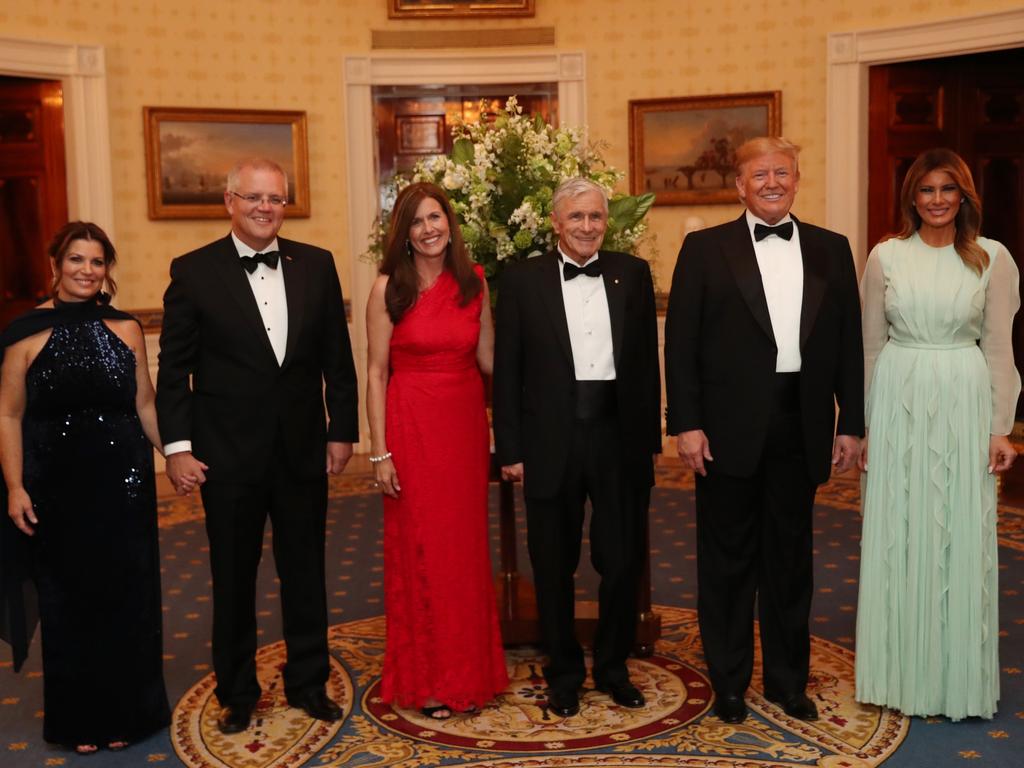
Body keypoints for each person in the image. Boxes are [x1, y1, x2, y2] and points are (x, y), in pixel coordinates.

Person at [664, 137, 864, 724]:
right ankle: (728, 681)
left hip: (801, 424)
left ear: (799, 179)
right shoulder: (704, 249)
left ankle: (786, 682)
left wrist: (849, 423)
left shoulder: (832, 248)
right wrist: (687, 424)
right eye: (759, 174)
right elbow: (681, 345)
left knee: (790, 561)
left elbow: (849, 345)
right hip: (725, 430)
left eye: (782, 172)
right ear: (739, 185)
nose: (771, 182)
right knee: (726, 562)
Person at [156, 158, 358, 734]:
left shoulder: (316, 265)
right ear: (229, 200)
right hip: (225, 455)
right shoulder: (193, 272)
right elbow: (175, 372)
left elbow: (336, 360)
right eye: (254, 198)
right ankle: (237, 692)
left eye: (275, 199)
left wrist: (341, 428)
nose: (266, 208)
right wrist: (177, 447)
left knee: (305, 572)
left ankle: (309, 682)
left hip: (301, 450)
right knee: (233, 577)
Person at [855, 148, 1019, 721]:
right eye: (926, 190)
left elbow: (999, 346)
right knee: (900, 529)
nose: (938, 200)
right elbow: (870, 346)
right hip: (898, 396)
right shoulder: (885, 256)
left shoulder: (992, 258)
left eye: (949, 189)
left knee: (958, 537)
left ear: (965, 196)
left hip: (963, 395)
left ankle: (954, 678)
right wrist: (867, 426)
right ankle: (897, 673)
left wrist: (1002, 427)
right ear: (912, 198)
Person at [493, 177, 661, 718]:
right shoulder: (521, 282)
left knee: (621, 560)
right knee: (552, 563)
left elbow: (644, 365)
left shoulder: (631, 274)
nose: (587, 227)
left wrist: (649, 442)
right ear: (555, 223)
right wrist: (510, 450)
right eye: (577, 217)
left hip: (619, 439)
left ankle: (613, 666)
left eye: (595, 217)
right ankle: (563, 669)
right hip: (549, 443)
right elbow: (509, 372)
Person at [0, 222, 170, 753]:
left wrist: (178, 455)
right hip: (56, 487)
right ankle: (81, 721)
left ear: (107, 270)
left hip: (125, 484)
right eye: (76, 260)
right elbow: (7, 414)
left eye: (97, 262)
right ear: (56, 265)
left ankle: (132, 714)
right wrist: (14, 486)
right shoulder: (24, 332)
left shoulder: (126, 329)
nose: (86, 271)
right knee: (70, 603)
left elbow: (144, 404)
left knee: (129, 596)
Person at [367, 181, 508, 719]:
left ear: (451, 224)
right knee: (422, 549)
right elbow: (377, 373)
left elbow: (490, 359)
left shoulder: (474, 282)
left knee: (464, 550)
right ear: (403, 233)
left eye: (436, 218)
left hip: (464, 426)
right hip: (412, 424)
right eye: (417, 222)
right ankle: (429, 677)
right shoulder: (388, 289)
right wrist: (379, 453)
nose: (429, 230)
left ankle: (472, 671)